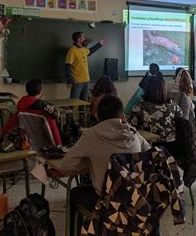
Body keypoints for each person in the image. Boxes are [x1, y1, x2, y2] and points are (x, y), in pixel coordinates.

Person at [61, 94, 151, 233]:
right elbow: (149, 155)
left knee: (74, 193)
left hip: (106, 201)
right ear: (122, 116)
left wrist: (91, 163)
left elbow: (66, 165)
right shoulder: (133, 134)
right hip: (136, 199)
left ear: (97, 115)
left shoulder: (91, 135)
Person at [2, 78, 62, 145]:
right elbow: (54, 136)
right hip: (44, 150)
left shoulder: (19, 110)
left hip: (25, 147)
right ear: (40, 92)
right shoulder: (45, 113)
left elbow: (6, 131)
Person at [130, 76, 183, 149]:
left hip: (148, 147)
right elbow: (181, 123)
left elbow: (131, 128)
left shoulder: (139, 107)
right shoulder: (173, 107)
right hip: (171, 147)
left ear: (147, 89)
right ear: (164, 89)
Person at [65, 31, 106, 101]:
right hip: (77, 81)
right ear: (78, 39)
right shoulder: (72, 51)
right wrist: (69, 81)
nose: (84, 38)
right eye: (83, 37)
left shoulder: (83, 49)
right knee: (74, 102)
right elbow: (68, 66)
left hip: (86, 80)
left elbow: (90, 51)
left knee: (84, 102)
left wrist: (99, 44)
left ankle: (82, 111)